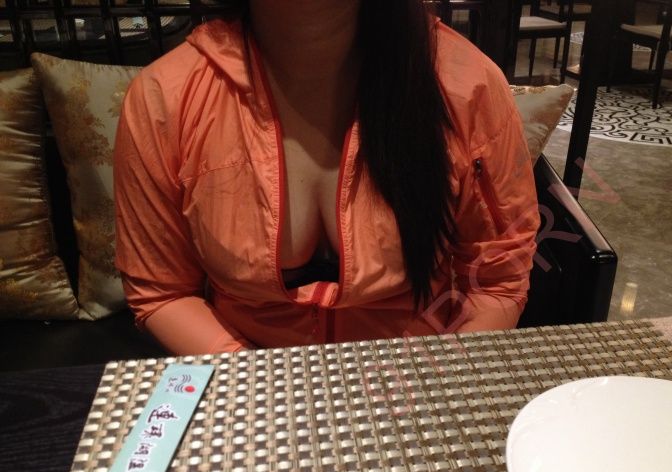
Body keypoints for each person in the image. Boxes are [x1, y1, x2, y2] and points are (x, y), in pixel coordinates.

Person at [114, 0, 540, 356]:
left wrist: (435, 381)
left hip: (417, 374)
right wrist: (264, 389)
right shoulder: (164, 98)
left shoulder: (467, 84)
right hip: (249, 382)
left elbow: (497, 280)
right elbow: (163, 292)